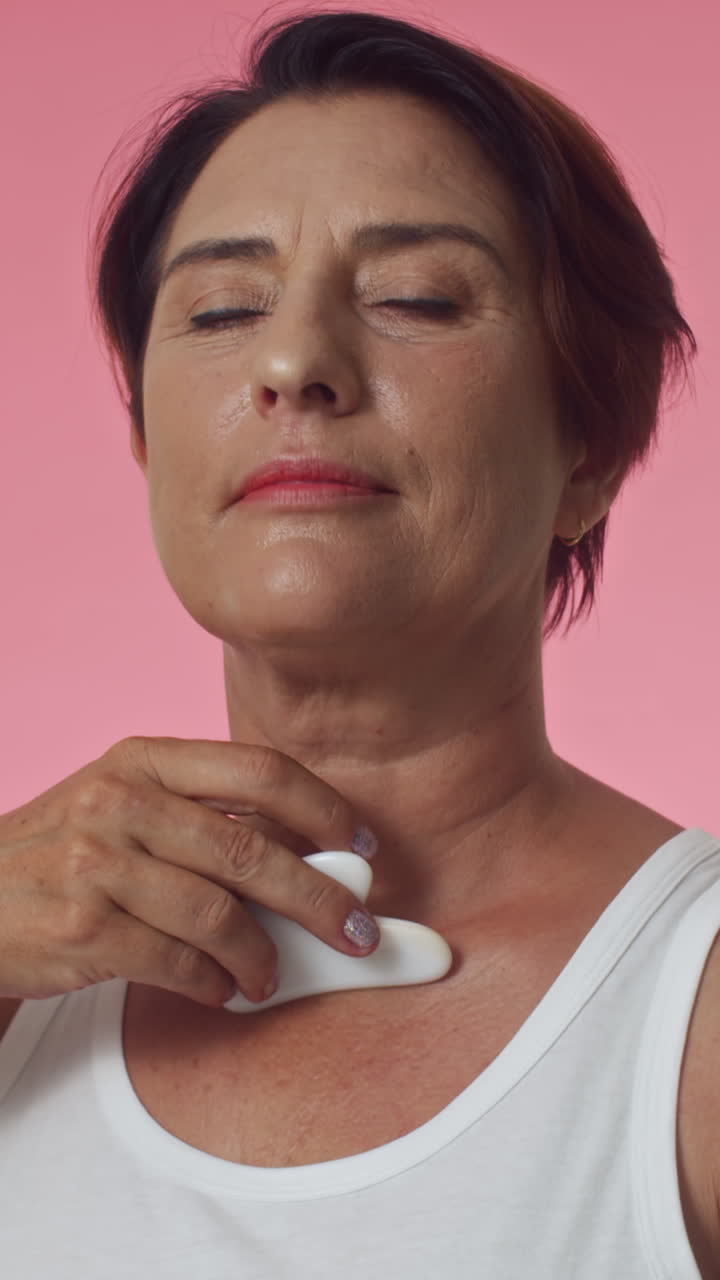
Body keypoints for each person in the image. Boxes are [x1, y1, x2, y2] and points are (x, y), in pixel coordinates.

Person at [0, 7, 716, 1277]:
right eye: (222, 309)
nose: (293, 362)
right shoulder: (20, 972)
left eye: (415, 297)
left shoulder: (692, 1013)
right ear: (149, 443)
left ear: (592, 447)